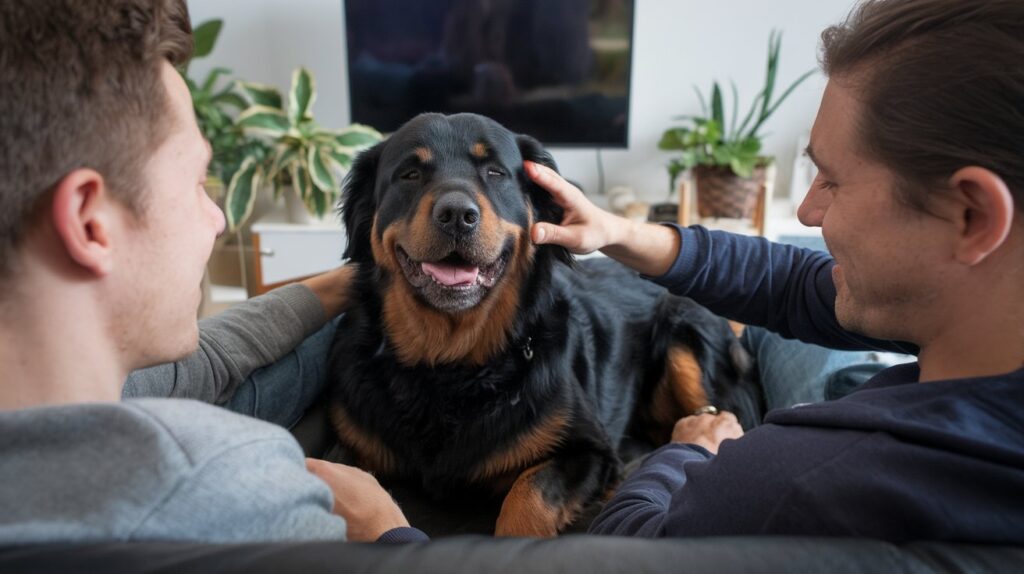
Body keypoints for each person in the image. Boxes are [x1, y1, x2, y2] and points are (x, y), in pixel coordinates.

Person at [525, 0, 1024, 543]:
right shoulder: (988, 314)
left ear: (972, 215)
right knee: (798, 304)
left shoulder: (791, 477)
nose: (807, 212)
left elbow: (625, 543)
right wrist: (617, 232)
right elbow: (791, 285)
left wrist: (687, 450)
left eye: (830, 180)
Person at [0, 0, 423, 544]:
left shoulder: (92, 390)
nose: (218, 220)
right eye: (199, 182)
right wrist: (390, 535)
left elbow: (219, 355)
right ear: (89, 221)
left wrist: (350, 282)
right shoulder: (234, 486)